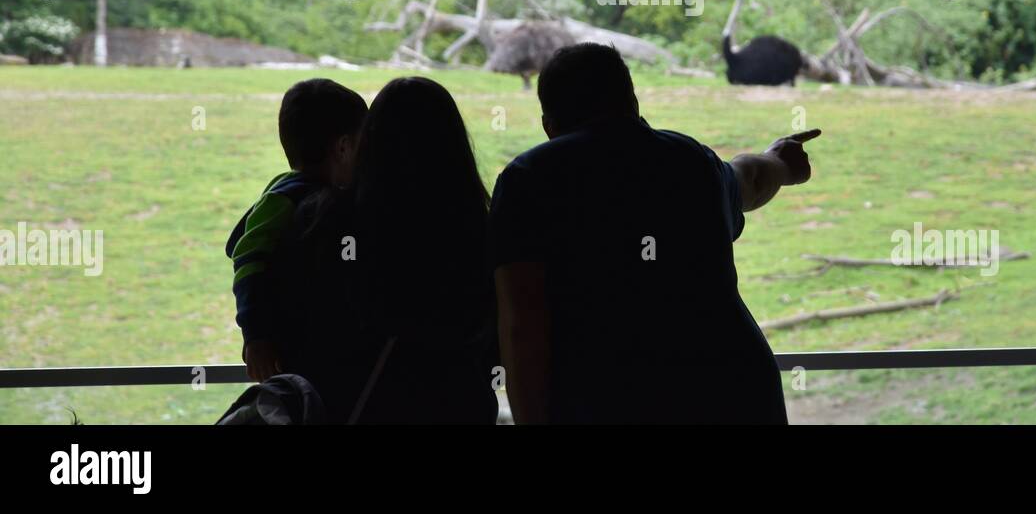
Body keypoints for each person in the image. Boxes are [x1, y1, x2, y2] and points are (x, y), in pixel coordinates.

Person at [491, 42, 819, 424]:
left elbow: (521, 327)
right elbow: (750, 177)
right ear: (632, 103)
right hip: (733, 391)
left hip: (608, 400)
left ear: (549, 125)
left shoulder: (527, 181)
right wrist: (783, 160)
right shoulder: (691, 161)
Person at [270, 76, 499, 423]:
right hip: (457, 405)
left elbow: (297, 322)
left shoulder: (325, 217)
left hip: (351, 407)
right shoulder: (476, 227)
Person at [224, 78, 366, 382]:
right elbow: (248, 261)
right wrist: (256, 336)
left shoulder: (288, 192)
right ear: (342, 147)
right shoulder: (287, 200)